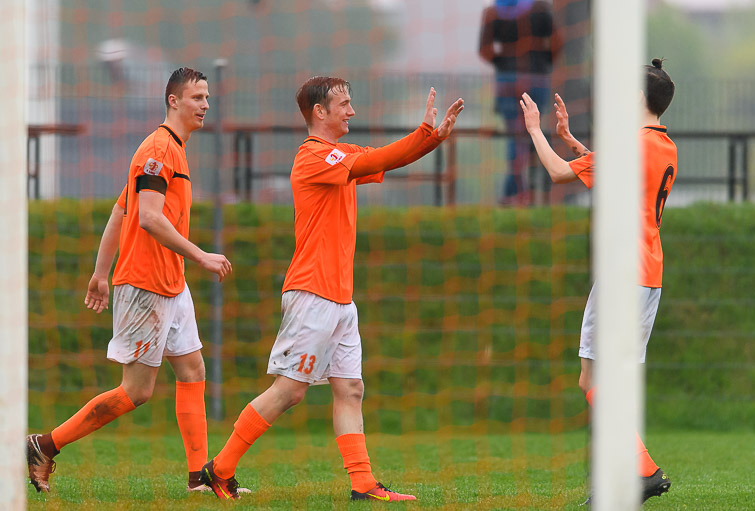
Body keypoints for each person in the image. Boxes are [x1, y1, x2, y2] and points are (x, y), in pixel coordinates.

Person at [199, 77, 464, 501]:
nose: (352, 111)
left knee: (350, 389)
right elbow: (379, 157)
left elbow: (387, 158)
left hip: (340, 299)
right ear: (319, 112)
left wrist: (434, 138)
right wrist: (424, 132)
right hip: (312, 294)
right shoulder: (313, 156)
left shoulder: (341, 154)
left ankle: (363, 484)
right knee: (290, 391)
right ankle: (220, 468)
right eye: (344, 104)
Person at [27, 67, 234, 494]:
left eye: (207, 97)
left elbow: (121, 212)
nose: (205, 105)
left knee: (192, 369)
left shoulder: (174, 149)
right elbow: (149, 219)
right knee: (136, 391)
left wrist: (99, 274)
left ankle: (199, 478)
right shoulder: (158, 149)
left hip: (171, 283)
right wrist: (200, 255)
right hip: (145, 285)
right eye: (197, 97)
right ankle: (43, 446)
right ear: (173, 101)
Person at [519, 59, 676, 504]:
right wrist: (571, 141)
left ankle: (642, 471)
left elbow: (557, 174)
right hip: (648, 275)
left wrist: (535, 131)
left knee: (595, 381)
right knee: (601, 381)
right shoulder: (662, 144)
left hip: (623, 275)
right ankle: (625, 475)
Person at [479, 0, 562, 205]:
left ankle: (515, 193)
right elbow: (556, 43)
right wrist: (542, 61)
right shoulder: (541, 8)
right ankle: (535, 188)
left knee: (516, 136)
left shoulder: (492, 12)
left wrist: (502, 61)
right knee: (533, 132)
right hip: (536, 79)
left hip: (507, 81)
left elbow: (485, 50)